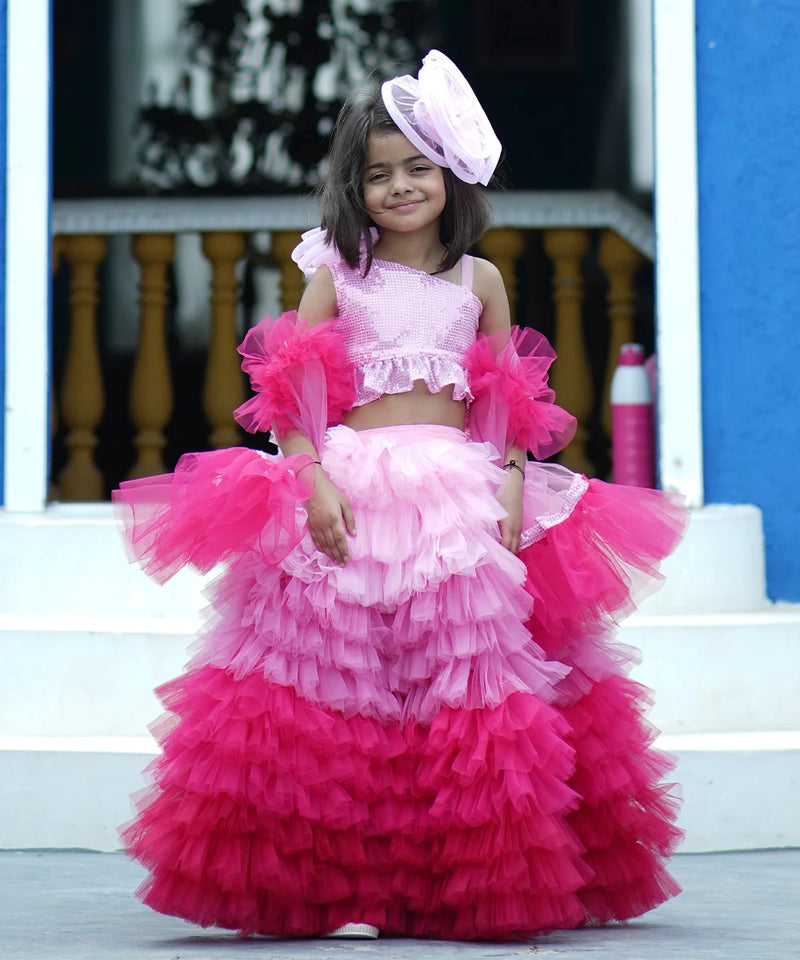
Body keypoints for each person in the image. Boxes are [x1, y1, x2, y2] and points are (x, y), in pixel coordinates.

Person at [114, 50, 688, 942]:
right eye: (377, 174)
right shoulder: (337, 277)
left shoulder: (479, 281)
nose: (399, 187)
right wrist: (309, 482)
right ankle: (326, 880)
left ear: (452, 173)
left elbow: (504, 395)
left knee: (462, 679)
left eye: (417, 167)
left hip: (459, 493)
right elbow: (292, 392)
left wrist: (504, 481)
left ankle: (451, 879)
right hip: (353, 482)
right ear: (354, 189)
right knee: (338, 681)